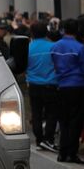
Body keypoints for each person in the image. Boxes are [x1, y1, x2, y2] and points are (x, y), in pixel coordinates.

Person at [51, 18, 84, 164]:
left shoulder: (55, 47)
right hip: (77, 86)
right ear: (76, 30)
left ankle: (62, 153)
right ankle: (71, 154)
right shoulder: (79, 48)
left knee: (63, 121)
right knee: (75, 121)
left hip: (61, 85)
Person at [26, 21, 58, 152]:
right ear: (46, 32)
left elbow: (24, 66)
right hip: (51, 85)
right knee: (51, 114)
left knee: (36, 114)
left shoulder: (28, 48)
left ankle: (39, 140)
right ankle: (48, 139)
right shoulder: (53, 47)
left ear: (32, 33)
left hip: (34, 85)